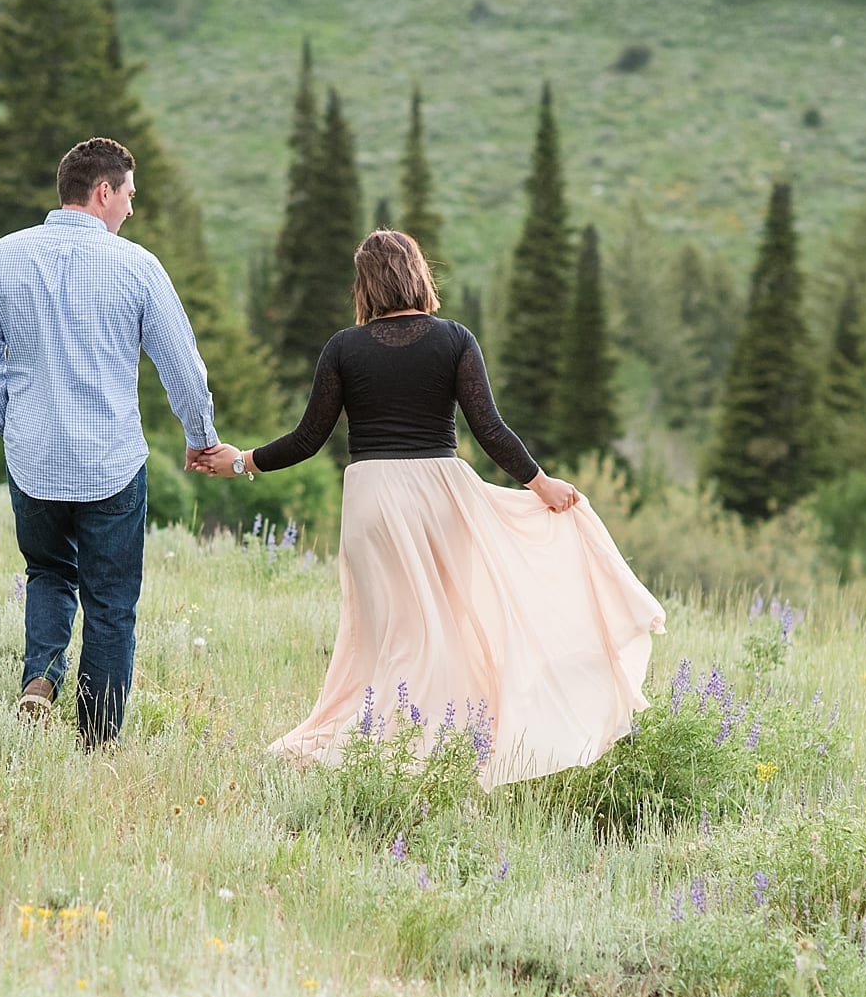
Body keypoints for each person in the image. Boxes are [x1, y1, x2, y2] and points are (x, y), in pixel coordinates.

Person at [193, 229, 662, 787]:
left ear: (365, 284)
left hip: (371, 504)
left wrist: (241, 461)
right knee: (447, 630)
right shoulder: (455, 340)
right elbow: (489, 429)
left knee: (387, 635)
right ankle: (436, 750)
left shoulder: (343, 347)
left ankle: (382, 747)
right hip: (440, 500)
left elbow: (306, 439)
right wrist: (542, 484)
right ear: (419, 274)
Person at [0, 136, 230, 746]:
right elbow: (183, 368)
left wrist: (11, 423)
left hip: (32, 459)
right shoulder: (137, 266)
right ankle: (95, 744)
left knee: (47, 572)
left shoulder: (1, 258)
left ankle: (41, 678)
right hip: (110, 462)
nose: (132, 211)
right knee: (111, 604)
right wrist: (202, 438)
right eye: (129, 196)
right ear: (103, 191)